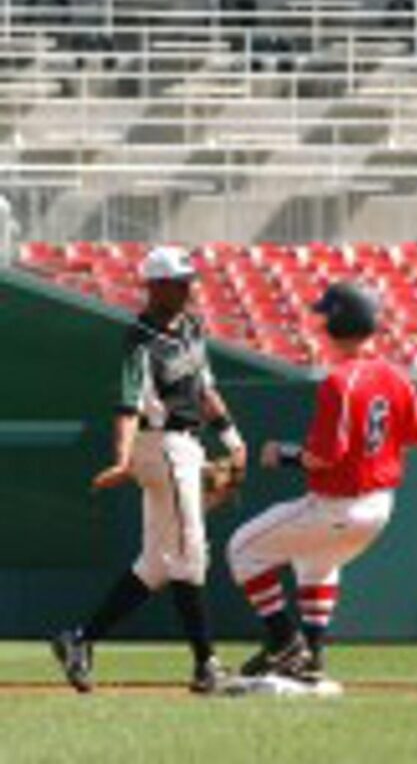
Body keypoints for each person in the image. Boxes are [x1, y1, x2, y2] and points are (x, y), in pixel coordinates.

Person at [52, 246, 248, 695]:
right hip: (158, 444)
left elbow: (205, 390)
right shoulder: (139, 338)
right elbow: (126, 406)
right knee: (190, 551)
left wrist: (234, 440)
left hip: (187, 445)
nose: (186, 288)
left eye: (187, 281)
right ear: (154, 287)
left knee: (159, 563)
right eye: (177, 282)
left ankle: (79, 640)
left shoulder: (194, 326)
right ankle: (206, 666)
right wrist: (122, 459)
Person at [227, 281, 417, 684]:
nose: (320, 323)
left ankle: (286, 642)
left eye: (326, 316)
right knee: (317, 563)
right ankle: (312, 655)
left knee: (242, 550)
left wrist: (282, 454)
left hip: (339, 503)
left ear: (339, 323)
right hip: (379, 506)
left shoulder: (340, 382)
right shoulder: (396, 377)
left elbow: (325, 456)